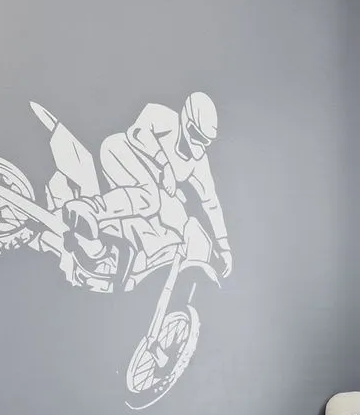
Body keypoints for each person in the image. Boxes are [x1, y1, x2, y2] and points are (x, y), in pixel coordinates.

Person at [64, 91, 233, 277]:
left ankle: (125, 252)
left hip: (147, 182)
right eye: (195, 133)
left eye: (204, 139)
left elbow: (211, 203)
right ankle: (86, 209)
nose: (197, 142)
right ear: (186, 120)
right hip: (119, 152)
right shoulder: (165, 118)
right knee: (150, 196)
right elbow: (136, 132)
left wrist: (224, 247)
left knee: (174, 216)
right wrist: (165, 164)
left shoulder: (198, 164)